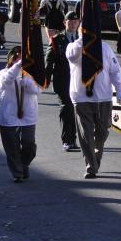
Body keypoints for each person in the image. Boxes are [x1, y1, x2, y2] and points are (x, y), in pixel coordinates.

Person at [66, 29, 121, 179]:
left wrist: (120, 91)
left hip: (103, 97)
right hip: (81, 98)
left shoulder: (104, 48)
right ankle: (91, 166)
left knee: (102, 132)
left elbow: (115, 71)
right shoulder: (73, 47)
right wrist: (84, 42)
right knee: (85, 135)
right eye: (84, 31)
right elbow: (72, 57)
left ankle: (95, 158)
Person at [0, 46, 40, 183]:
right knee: (11, 147)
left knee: (29, 145)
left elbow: (39, 90)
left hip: (28, 115)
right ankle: (18, 173)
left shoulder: (31, 73)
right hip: (9, 114)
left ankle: (22, 164)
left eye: (23, 58)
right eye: (17, 57)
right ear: (12, 59)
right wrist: (17, 66)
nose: (20, 59)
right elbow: (5, 82)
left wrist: (29, 84)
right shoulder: (4, 72)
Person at [45, 11, 80, 152]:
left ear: (78, 23)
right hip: (62, 80)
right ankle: (67, 140)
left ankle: (74, 139)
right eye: (70, 21)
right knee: (66, 108)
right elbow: (49, 60)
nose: (72, 24)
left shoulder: (81, 39)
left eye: (75, 22)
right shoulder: (57, 39)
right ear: (64, 23)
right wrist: (46, 78)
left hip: (77, 80)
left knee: (76, 110)